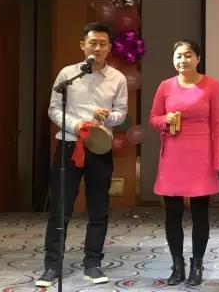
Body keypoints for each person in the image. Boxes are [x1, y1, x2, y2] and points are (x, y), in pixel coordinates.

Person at [36, 22, 128, 287]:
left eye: (102, 44)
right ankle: (52, 266)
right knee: (60, 209)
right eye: (92, 43)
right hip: (69, 145)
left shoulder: (118, 78)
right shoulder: (68, 75)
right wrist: (75, 126)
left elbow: (121, 113)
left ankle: (93, 264)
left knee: (98, 208)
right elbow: (54, 109)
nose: (97, 48)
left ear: (109, 48)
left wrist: (108, 116)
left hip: (99, 148)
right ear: (83, 45)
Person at [149, 39, 219, 286]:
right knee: (172, 214)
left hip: (201, 155)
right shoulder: (165, 86)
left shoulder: (212, 85)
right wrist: (165, 120)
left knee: (200, 214)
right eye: (179, 56)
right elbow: (153, 118)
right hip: (173, 154)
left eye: (188, 55)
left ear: (198, 58)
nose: (183, 60)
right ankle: (177, 265)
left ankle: (197, 264)